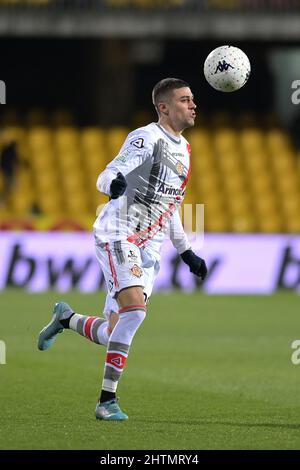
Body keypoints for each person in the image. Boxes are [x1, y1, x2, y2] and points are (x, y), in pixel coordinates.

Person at [38, 78, 207, 421]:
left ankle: (66, 319)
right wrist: (111, 186)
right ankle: (106, 402)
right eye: (185, 100)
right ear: (163, 107)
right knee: (135, 313)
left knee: (116, 330)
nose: (193, 105)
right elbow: (109, 172)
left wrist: (186, 251)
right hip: (120, 234)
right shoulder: (147, 138)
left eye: (193, 100)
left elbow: (169, 206)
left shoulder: (185, 150)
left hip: (149, 248)